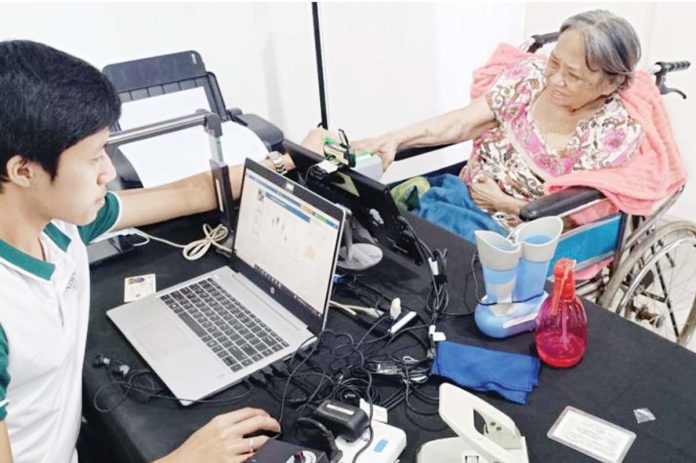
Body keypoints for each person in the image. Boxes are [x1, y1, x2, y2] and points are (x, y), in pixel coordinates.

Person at [0, 40, 301, 463]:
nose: (108, 172)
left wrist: (287, 164)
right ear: (23, 171)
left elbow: (188, 192)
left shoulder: (61, 222)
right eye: (93, 158)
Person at [353, 10, 644, 241]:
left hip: (516, 233)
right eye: (554, 62)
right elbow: (462, 122)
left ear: (612, 82)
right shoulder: (528, 79)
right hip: (459, 195)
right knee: (376, 222)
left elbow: (575, 217)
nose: (555, 79)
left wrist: (504, 202)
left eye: (573, 75)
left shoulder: (612, 133)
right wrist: (394, 138)